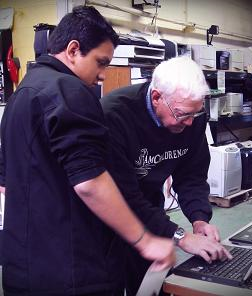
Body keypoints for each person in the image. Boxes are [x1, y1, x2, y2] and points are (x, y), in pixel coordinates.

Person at [0, 6, 175, 296]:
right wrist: (145, 240)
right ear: (72, 50)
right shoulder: (69, 92)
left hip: (23, 270)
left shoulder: (20, 96)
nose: (103, 75)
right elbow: (90, 183)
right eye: (101, 62)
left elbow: (7, 186)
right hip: (74, 273)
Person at [100, 56, 232, 295]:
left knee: (150, 287)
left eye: (196, 113)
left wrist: (199, 218)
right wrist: (179, 236)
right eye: (183, 114)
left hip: (148, 207)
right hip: (108, 218)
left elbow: (192, 174)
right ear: (157, 97)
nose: (191, 123)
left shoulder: (191, 114)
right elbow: (123, 196)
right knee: (109, 283)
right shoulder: (114, 116)